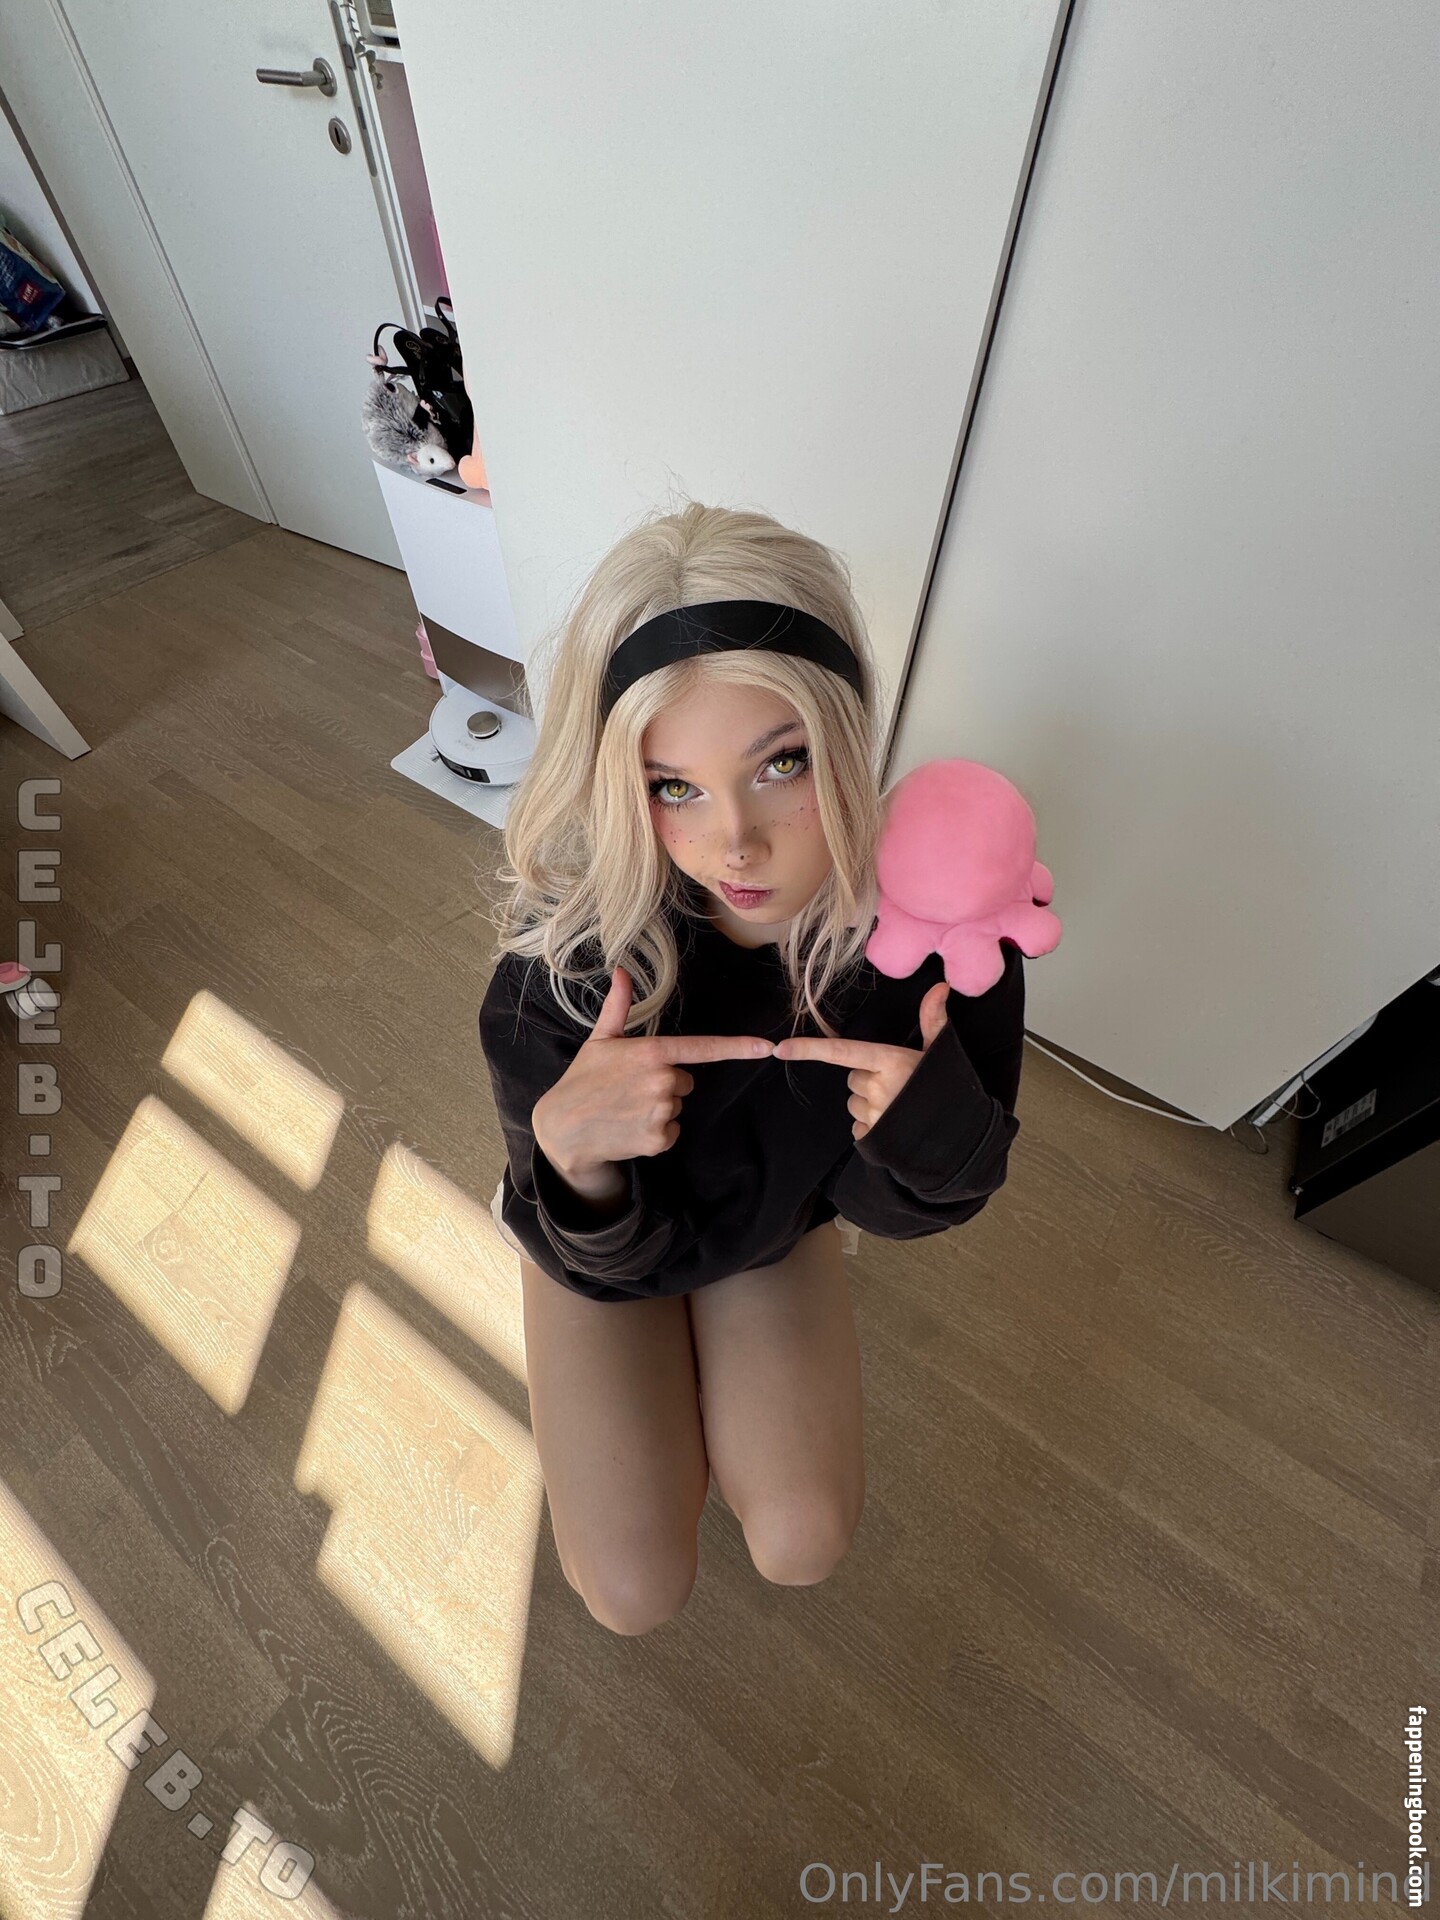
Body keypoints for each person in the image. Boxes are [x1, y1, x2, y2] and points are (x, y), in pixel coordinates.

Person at [477, 501, 1026, 1636]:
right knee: (631, 1593)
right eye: (673, 785)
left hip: (775, 1226)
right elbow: (583, 1229)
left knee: (803, 1541)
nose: (735, 842)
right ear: (623, 783)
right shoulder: (568, 965)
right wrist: (574, 1165)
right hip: (602, 1247)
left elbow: (901, 1205)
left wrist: (924, 1137)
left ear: (845, 734)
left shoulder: (937, 943)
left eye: (781, 764)